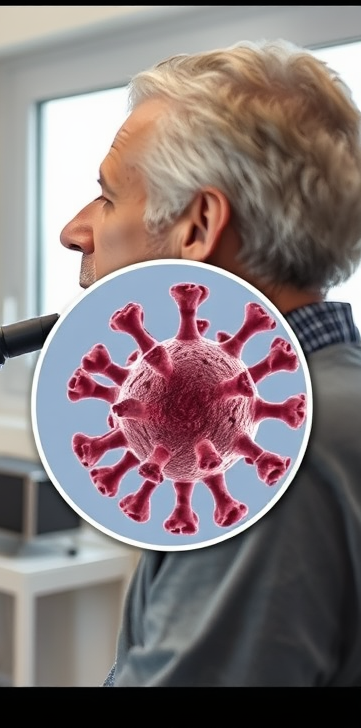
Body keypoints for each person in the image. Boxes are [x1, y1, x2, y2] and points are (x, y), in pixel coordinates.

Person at [58, 39, 361, 686]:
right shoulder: (333, 397)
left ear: (198, 226)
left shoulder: (269, 454)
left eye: (107, 198)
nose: (74, 232)